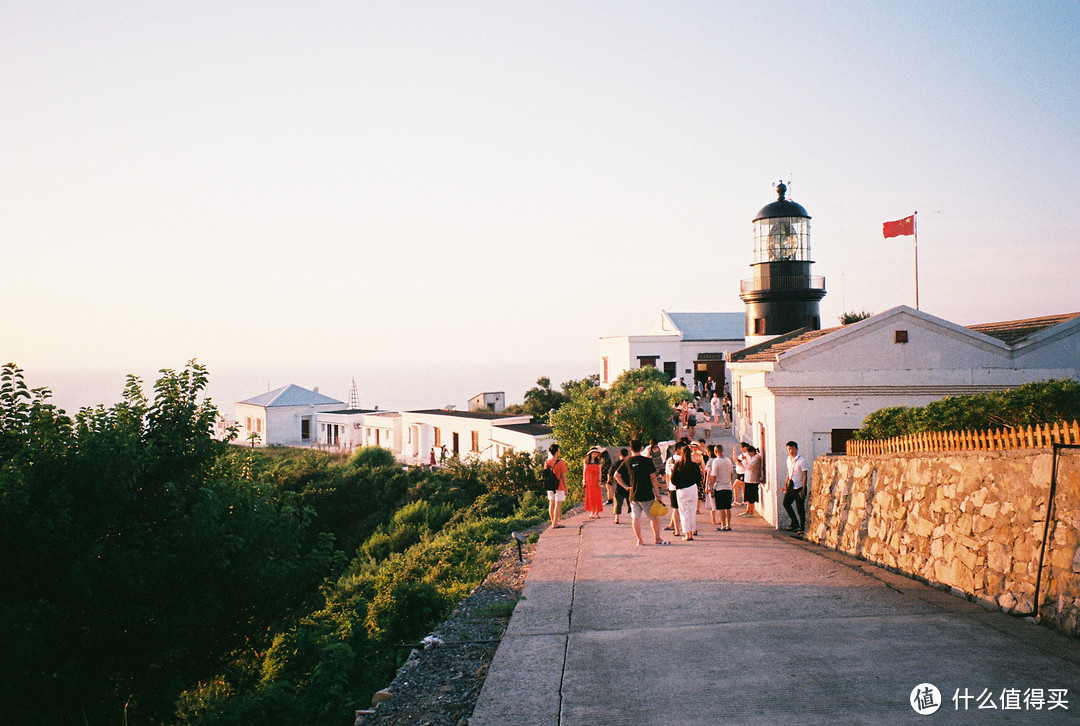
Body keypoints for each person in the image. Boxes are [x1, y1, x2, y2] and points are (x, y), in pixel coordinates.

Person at [613, 438, 668, 546]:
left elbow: (616, 475)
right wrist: (657, 493)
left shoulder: (627, 461)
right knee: (654, 518)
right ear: (642, 448)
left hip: (633, 494)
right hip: (647, 494)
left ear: (630, 449)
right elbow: (653, 478)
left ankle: (640, 540)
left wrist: (625, 486)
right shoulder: (647, 461)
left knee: (635, 518)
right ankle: (657, 539)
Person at [670, 443, 702, 541]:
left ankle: (687, 534)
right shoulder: (695, 465)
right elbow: (699, 478)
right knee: (692, 511)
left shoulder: (678, 465)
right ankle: (692, 532)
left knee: (684, 512)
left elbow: (673, 480)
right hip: (693, 489)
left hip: (682, 490)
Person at [783, 441, 808, 533]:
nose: (791, 450)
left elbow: (805, 475)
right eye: (789, 449)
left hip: (799, 487)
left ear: (796, 449)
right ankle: (794, 522)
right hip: (791, 486)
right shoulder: (788, 460)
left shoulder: (801, 461)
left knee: (800, 508)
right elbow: (789, 472)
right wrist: (786, 483)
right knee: (786, 503)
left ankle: (802, 527)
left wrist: (804, 489)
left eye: (793, 448)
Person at [708, 444, 735, 530]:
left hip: (719, 487)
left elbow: (714, 475)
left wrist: (711, 486)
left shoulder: (716, 462)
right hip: (728, 486)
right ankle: (728, 524)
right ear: (722, 451)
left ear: (715, 452)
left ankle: (723, 525)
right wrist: (730, 483)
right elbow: (731, 473)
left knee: (721, 507)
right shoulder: (728, 461)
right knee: (728, 507)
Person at [545, 443, 568, 529]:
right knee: (558, 505)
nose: (559, 451)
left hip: (550, 485)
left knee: (551, 503)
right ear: (556, 451)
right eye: (558, 450)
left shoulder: (547, 462)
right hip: (559, 485)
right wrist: (566, 488)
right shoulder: (561, 462)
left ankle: (553, 521)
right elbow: (563, 476)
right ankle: (555, 523)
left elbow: (545, 473)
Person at [739, 443, 762, 517]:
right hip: (748, 479)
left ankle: (751, 512)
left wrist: (744, 461)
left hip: (753, 479)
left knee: (752, 497)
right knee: (748, 497)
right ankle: (747, 510)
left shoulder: (756, 457)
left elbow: (749, 467)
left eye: (749, 453)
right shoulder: (751, 457)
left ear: (752, 452)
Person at [583, 448, 604, 519]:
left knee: (597, 496)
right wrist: (584, 481)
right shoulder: (586, 461)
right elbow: (584, 472)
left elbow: (600, 472)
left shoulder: (598, 462)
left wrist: (599, 481)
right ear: (590, 453)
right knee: (590, 496)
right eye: (593, 452)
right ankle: (592, 511)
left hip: (595, 480)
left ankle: (597, 512)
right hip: (588, 480)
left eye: (596, 452)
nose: (595, 454)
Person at [611, 448, 631, 524]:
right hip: (629, 485)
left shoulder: (616, 464)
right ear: (627, 455)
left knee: (618, 503)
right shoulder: (629, 463)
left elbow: (610, 474)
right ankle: (633, 516)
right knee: (631, 502)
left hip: (619, 485)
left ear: (619, 455)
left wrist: (609, 481)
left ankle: (617, 518)